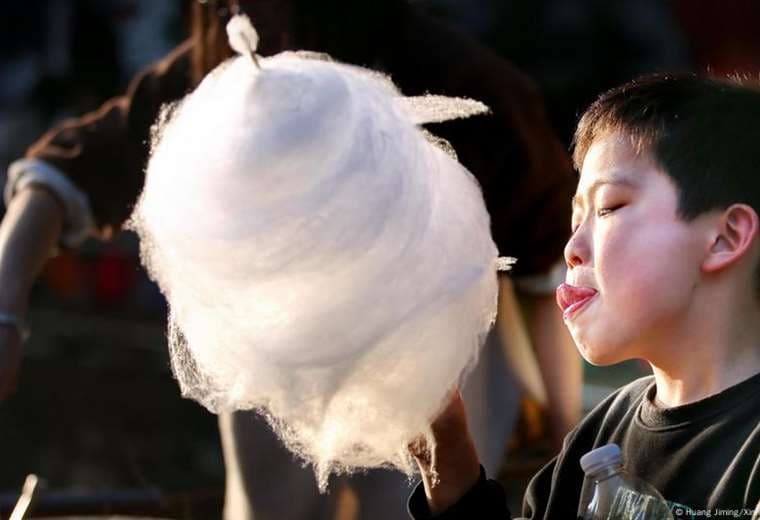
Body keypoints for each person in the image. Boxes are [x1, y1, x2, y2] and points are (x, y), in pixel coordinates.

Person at [0, 1, 580, 518]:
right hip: (277, 351)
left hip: (437, 355)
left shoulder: (454, 77)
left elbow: (544, 260)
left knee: (407, 501)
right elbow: (60, 176)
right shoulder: (223, 72)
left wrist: (563, 418)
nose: (249, 15)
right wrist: (6, 315)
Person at [408, 73, 760, 519]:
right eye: (576, 222)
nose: (572, 250)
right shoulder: (600, 434)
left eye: (609, 207)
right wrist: (447, 451)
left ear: (725, 238)